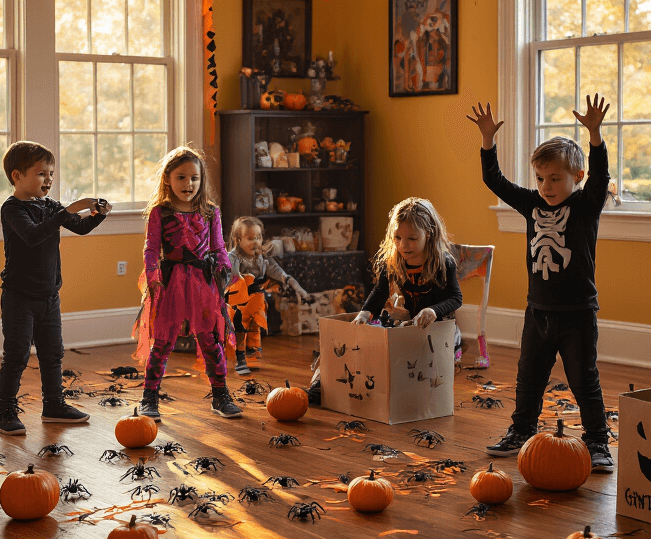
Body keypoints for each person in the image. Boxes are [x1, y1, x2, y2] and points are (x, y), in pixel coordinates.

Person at [471, 94, 615, 471]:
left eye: (555, 178)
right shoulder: (532, 204)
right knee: (528, 377)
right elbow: (494, 180)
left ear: (576, 178)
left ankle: (598, 441)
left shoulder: (585, 205)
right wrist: (488, 141)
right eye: (540, 178)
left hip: (577, 314)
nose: (546, 186)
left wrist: (595, 137)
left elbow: (601, 178)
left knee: (584, 381)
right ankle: (521, 431)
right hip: (538, 311)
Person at [0, 141, 109, 434]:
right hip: (19, 298)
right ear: (17, 176)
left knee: (52, 352)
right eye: (42, 173)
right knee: (17, 355)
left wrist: (97, 215)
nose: (49, 180)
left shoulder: (51, 207)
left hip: (49, 297)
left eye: (51, 174)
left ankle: (54, 404)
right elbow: (32, 236)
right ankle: (5, 410)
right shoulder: (13, 209)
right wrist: (63, 212)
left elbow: (79, 227)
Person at [307, 198, 463, 404]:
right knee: (357, 340)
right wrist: (365, 313)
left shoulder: (444, 263)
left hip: (439, 330)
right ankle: (321, 386)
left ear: (430, 233)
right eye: (397, 237)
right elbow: (380, 291)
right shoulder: (392, 261)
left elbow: (455, 298)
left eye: (412, 238)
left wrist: (433, 310)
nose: (403, 245)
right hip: (408, 323)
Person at [133, 145, 240, 420]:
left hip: (203, 283)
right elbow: (151, 248)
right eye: (181, 177)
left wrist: (224, 268)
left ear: (201, 180)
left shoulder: (210, 212)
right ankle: (150, 397)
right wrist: (153, 276)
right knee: (163, 341)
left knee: (210, 339)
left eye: (194, 177)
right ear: (168, 178)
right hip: (170, 284)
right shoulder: (160, 212)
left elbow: (218, 247)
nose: (188, 184)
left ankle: (220, 395)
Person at [226, 216, 308, 375]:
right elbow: (230, 275)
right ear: (237, 240)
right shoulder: (233, 257)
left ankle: (251, 352)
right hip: (236, 298)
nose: (256, 242)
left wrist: (299, 289)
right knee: (240, 324)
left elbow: (280, 273)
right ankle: (240, 356)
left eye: (258, 237)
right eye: (250, 238)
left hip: (255, 299)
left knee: (255, 322)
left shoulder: (263, 258)